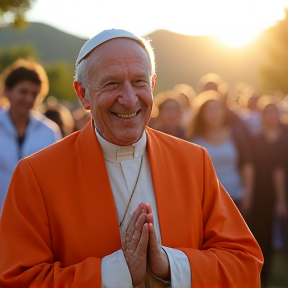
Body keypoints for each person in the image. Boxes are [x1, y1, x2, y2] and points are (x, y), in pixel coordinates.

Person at [0, 29, 263, 288]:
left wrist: (171, 265)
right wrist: (116, 273)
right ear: (83, 94)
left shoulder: (194, 161)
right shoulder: (37, 174)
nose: (128, 99)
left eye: (139, 81)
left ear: (152, 85)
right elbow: (19, 279)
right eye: (111, 83)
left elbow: (244, 262)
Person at [0, 59, 62, 210]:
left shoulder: (49, 131)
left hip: (34, 223)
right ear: (7, 91)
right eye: (23, 91)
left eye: (35, 94)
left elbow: (56, 180)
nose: (29, 99)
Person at [187, 91, 254, 211]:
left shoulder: (235, 134)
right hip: (207, 200)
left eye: (218, 109)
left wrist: (247, 192)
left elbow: (246, 163)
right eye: (210, 110)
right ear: (201, 114)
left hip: (235, 195)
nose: (215, 113)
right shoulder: (194, 139)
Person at [248, 97, 288, 287]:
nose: (271, 116)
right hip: (261, 190)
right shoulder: (255, 139)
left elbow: (280, 169)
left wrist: (281, 199)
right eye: (267, 112)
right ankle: (263, 270)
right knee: (261, 230)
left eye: (275, 112)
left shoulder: (286, 135)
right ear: (262, 115)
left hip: (284, 189)